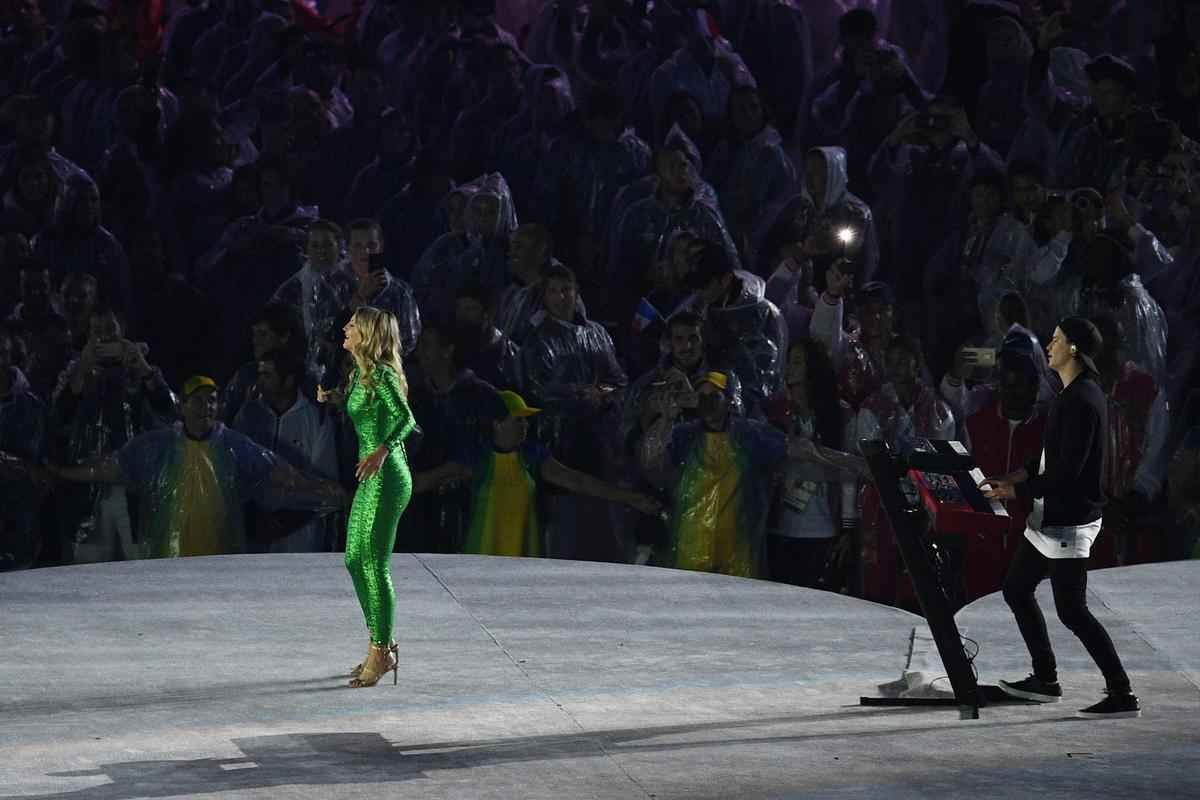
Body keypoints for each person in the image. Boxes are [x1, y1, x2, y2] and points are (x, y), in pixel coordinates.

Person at [981, 317, 1140, 718]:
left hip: (1067, 521)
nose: (1049, 346)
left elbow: (1067, 472)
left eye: (1055, 340)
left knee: (1071, 610)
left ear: (1073, 349)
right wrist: (1017, 476)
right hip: (1049, 518)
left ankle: (1121, 692)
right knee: (1017, 589)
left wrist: (1016, 490)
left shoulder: (1082, 399)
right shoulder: (1072, 395)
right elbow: (1051, 455)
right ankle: (1045, 679)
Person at [317, 307, 416, 689]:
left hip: (387, 475)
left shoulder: (384, 375)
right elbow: (366, 412)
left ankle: (381, 650)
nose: (345, 328)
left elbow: (406, 419)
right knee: (354, 559)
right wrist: (336, 399)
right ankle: (380, 643)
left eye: (352, 326)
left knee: (374, 563)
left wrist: (383, 449)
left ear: (368, 334)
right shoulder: (360, 374)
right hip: (370, 475)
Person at [445, 390, 661, 557]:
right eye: (518, 419)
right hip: (479, 560)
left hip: (524, 558)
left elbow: (577, 481)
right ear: (496, 423)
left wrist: (630, 498)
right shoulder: (476, 457)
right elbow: (431, 479)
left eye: (526, 420)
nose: (525, 425)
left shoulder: (532, 456)